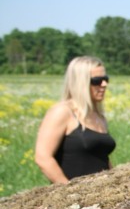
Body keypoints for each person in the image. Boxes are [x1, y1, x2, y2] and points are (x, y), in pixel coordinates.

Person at [35, 56, 116, 184]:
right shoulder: (62, 112)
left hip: (100, 192)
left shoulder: (99, 116)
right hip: (75, 198)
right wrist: (70, 192)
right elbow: (43, 158)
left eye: (105, 79)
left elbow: (101, 157)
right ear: (80, 82)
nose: (104, 84)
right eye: (97, 80)